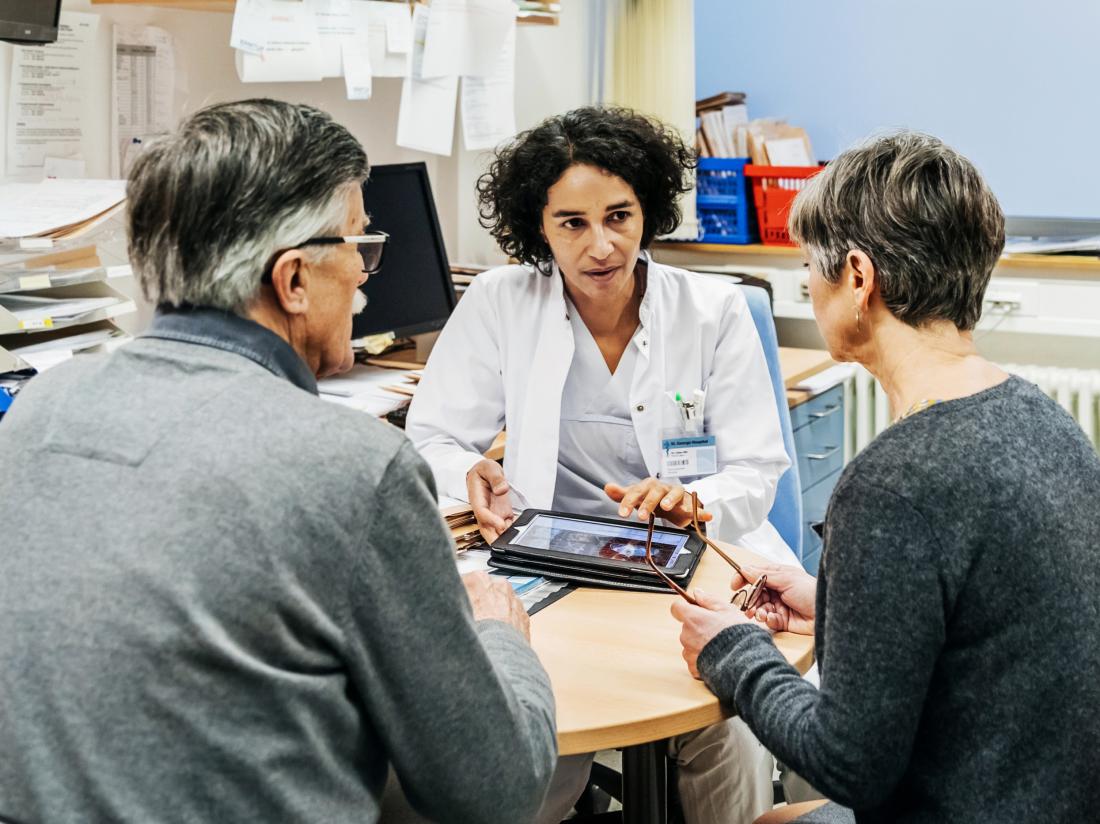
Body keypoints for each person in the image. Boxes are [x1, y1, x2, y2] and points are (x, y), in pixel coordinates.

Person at [0, 99, 556, 824]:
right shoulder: (353, 466)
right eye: (359, 244)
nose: (364, 273)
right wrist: (501, 637)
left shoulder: (44, 406)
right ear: (292, 280)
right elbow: (494, 789)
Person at [672, 131, 1100, 823]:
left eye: (812, 267)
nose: (809, 287)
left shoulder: (894, 486)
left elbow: (851, 765)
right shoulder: (1043, 421)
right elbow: (984, 627)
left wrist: (734, 649)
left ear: (859, 278)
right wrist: (835, 601)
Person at [406, 106, 796, 823]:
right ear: (539, 227)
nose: (600, 246)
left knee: (725, 727)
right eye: (572, 223)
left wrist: (694, 502)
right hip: (546, 565)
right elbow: (430, 438)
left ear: (648, 209)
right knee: (526, 740)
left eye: (619, 215)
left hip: (684, 559)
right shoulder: (501, 303)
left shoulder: (710, 313)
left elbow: (756, 467)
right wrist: (468, 472)